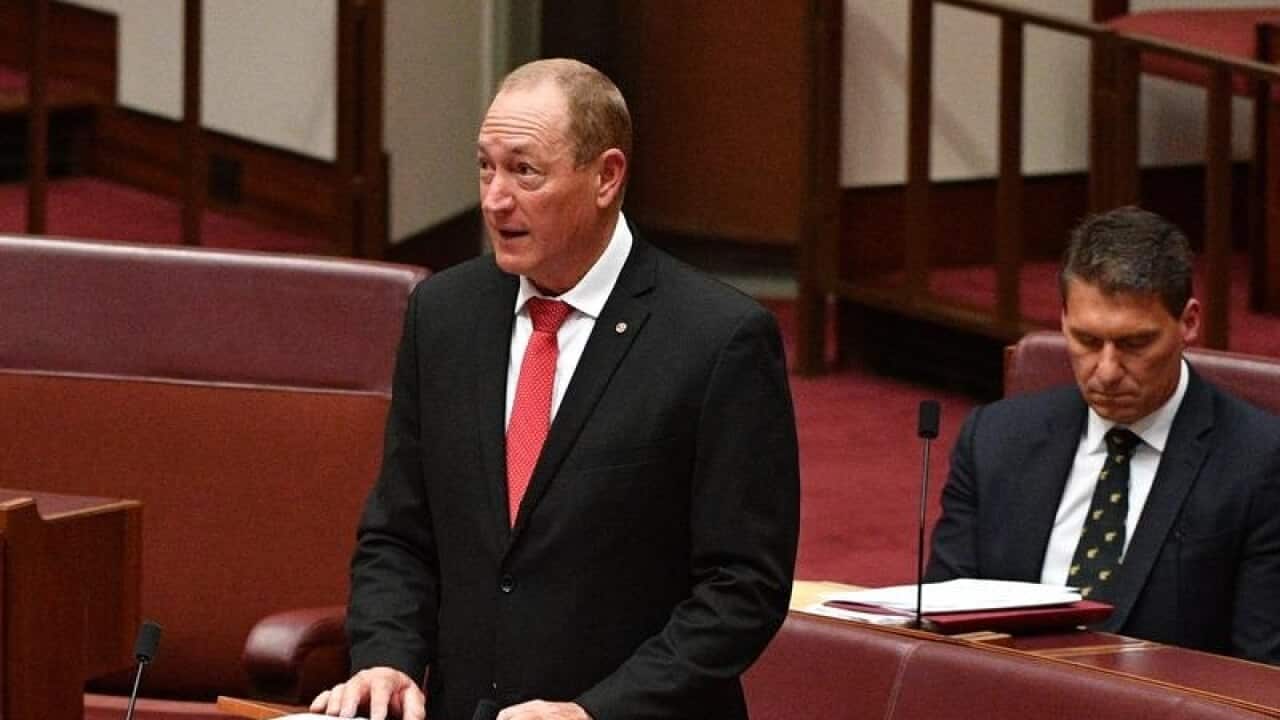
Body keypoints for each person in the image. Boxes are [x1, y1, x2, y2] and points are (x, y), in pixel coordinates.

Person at [310, 58, 800, 720]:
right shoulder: (444, 314)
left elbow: (742, 588)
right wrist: (387, 656)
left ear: (606, 177)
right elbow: (400, 532)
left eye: (525, 171)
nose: (494, 198)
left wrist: (597, 712)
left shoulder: (717, 340)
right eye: (485, 167)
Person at [926, 206, 1280, 664]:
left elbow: (1261, 675)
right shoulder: (994, 439)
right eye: (1087, 341)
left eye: (1135, 344)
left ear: (1189, 323)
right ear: (1063, 320)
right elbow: (940, 630)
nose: (1107, 371)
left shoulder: (1259, 462)